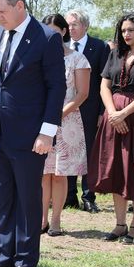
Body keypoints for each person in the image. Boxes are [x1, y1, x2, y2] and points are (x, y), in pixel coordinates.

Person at [0, 0, 66, 267]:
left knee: (28, 198)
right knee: (4, 198)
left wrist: (47, 132)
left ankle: (26, 262)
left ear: (20, 7)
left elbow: (56, 87)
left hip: (30, 135)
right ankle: (5, 257)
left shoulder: (47, 37)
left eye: (2, 11)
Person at [88, 11, 134, 244]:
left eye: (131, 29)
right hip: (113, 119)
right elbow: (104, 86)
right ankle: (120, 224)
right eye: (123, 30)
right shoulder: (115, 54)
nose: (126, 34)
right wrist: (113, 113)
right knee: (117, 170)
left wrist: (124, 113)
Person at [40, 14, 90, 236]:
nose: (50, 35)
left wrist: (58, 114)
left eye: (54, 31)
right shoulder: (38, 58)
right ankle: (42, 220)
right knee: (43, 173)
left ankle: (56, 220)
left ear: (63, 31)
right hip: (41, 121)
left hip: (66, 121)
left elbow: (82, 94)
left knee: (59, 174)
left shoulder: (78, 59)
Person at [65, 10, 110, 212]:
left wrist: (102, 111)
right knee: (68, 150)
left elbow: (105, 82)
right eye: (68, 25)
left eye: (74, 24)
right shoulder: (62, 47)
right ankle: (68, 195)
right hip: (66, 108)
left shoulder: (100, 47)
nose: (70, 28)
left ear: (85, 26)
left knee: (89, 152)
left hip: (91, 110)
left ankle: (88, 196)